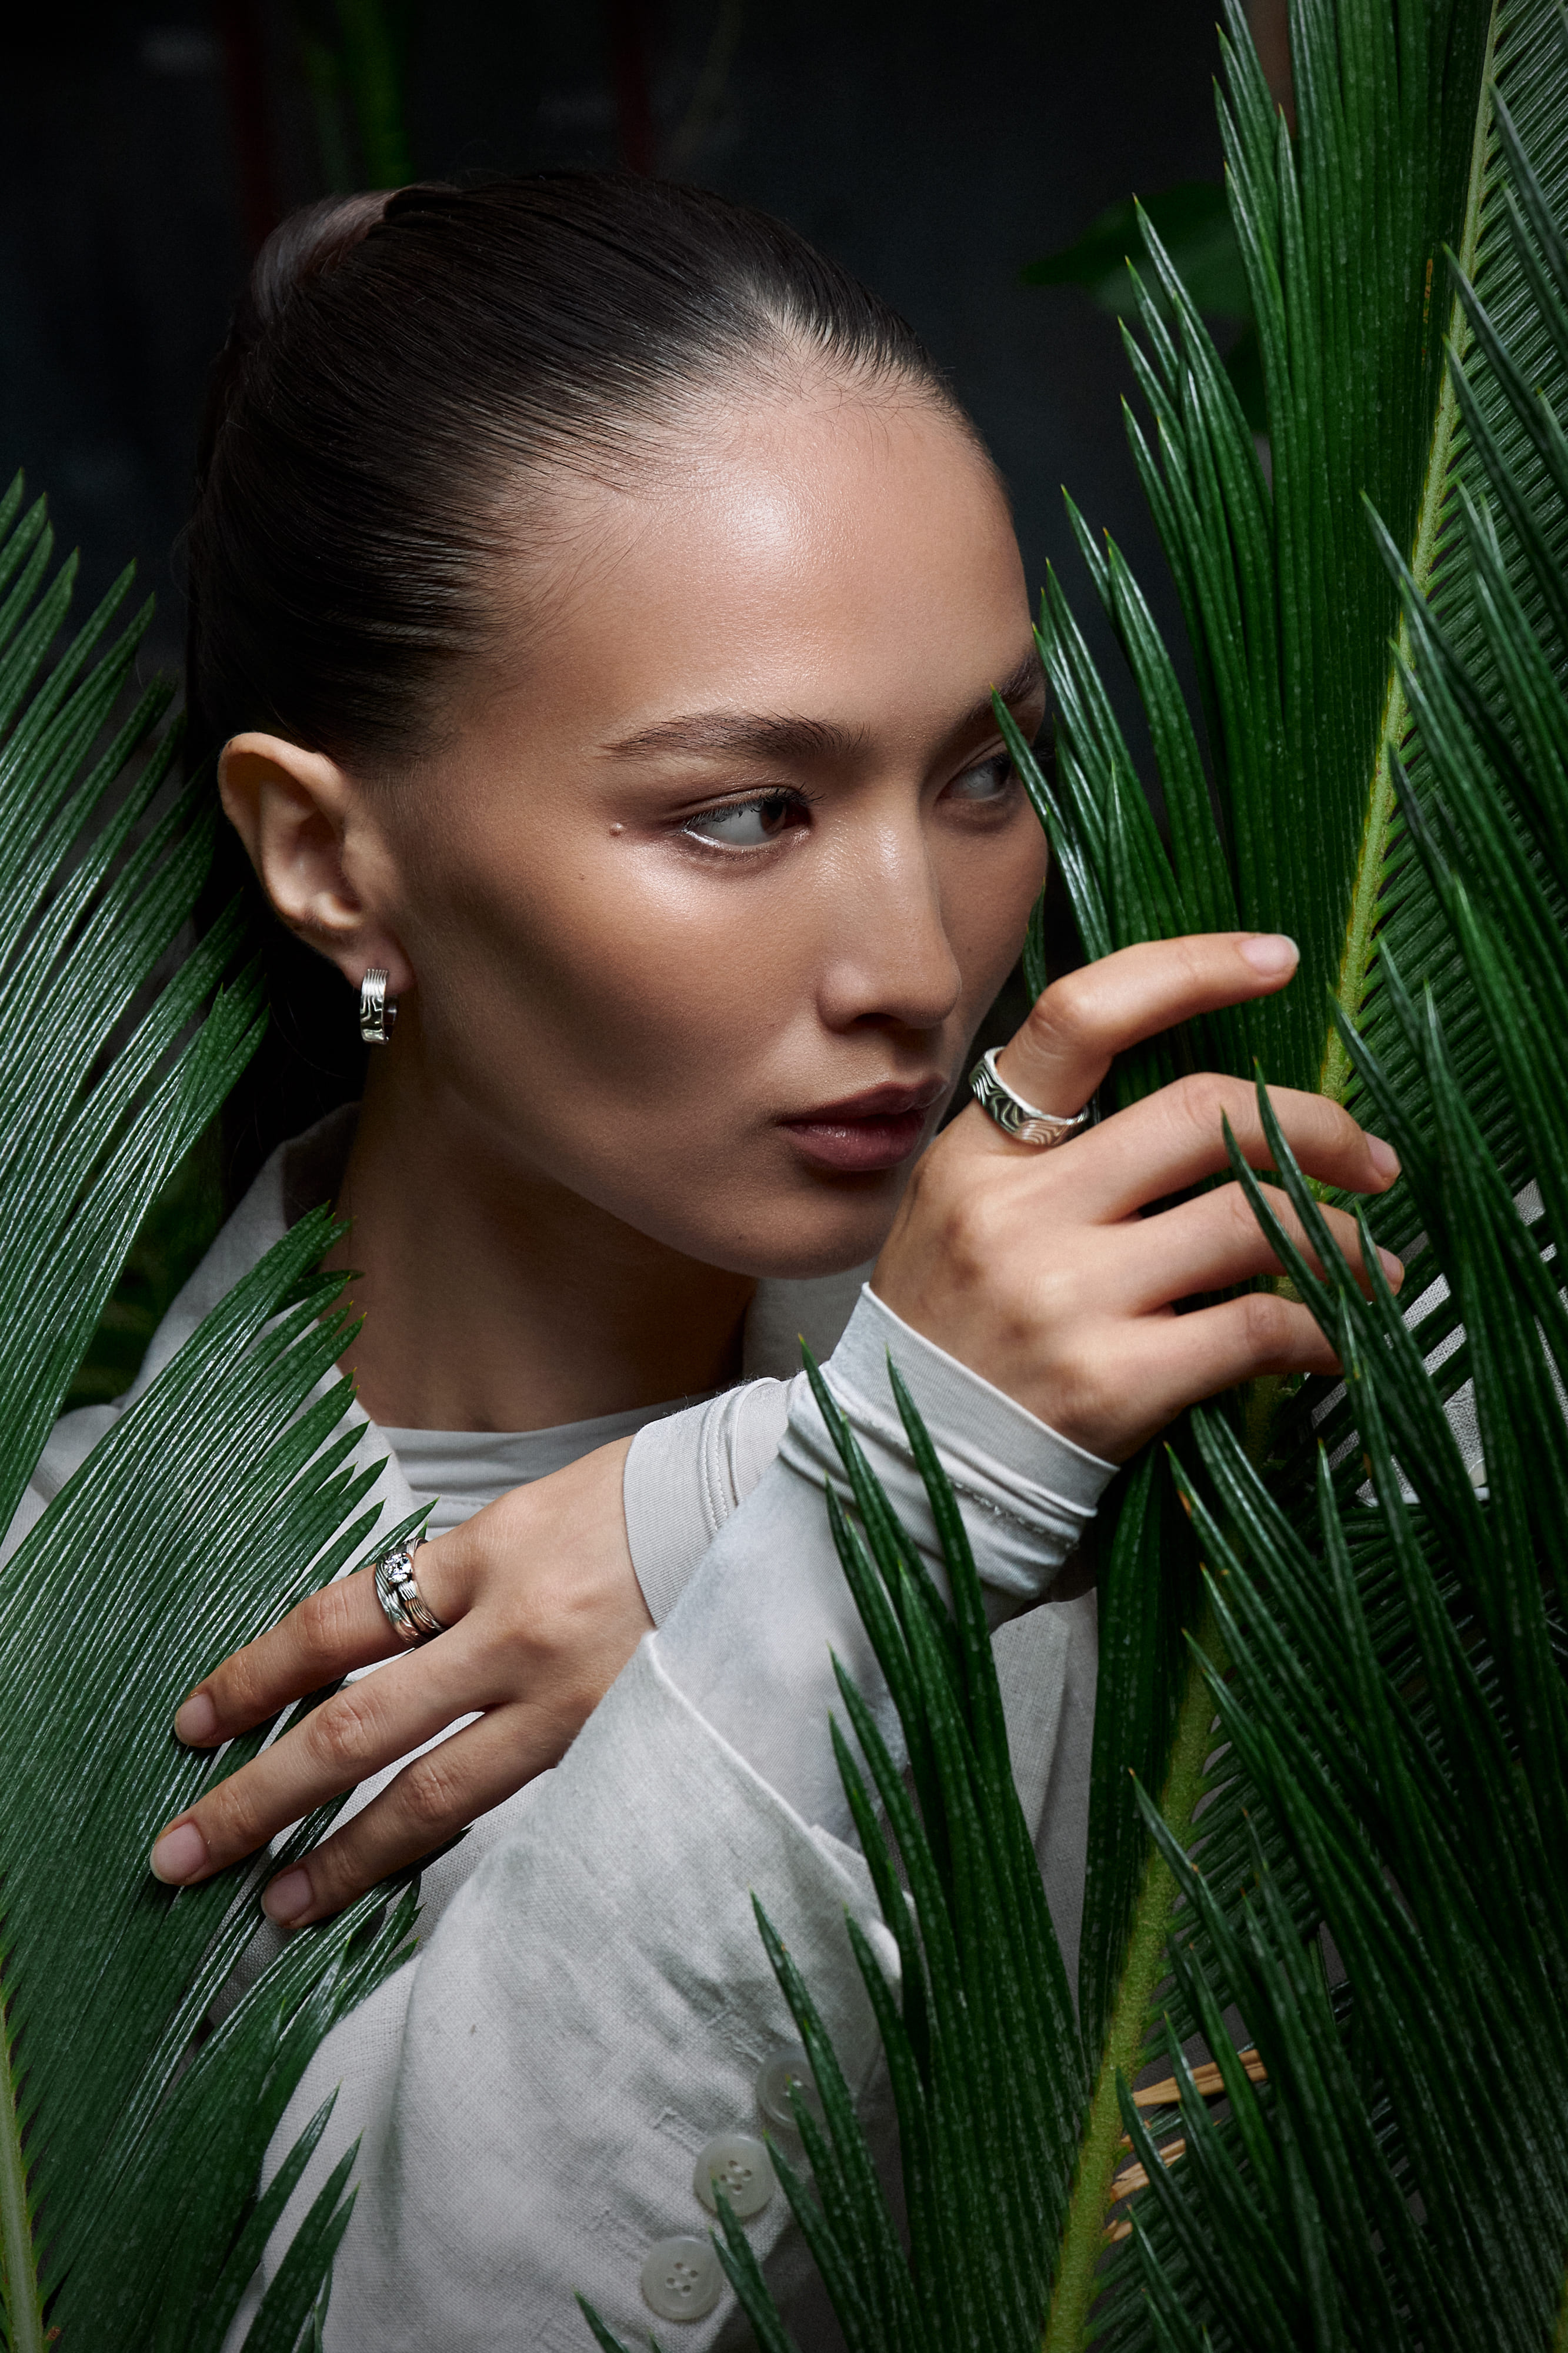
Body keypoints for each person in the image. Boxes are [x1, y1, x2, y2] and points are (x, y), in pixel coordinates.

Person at [37, 175, 1399, 2344]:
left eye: (980, 773)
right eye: (741, 813)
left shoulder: (1143, 1344)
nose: (916, 963)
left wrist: (742, 1500)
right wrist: (867, 1521)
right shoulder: (70, 1631)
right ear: (331, 857)